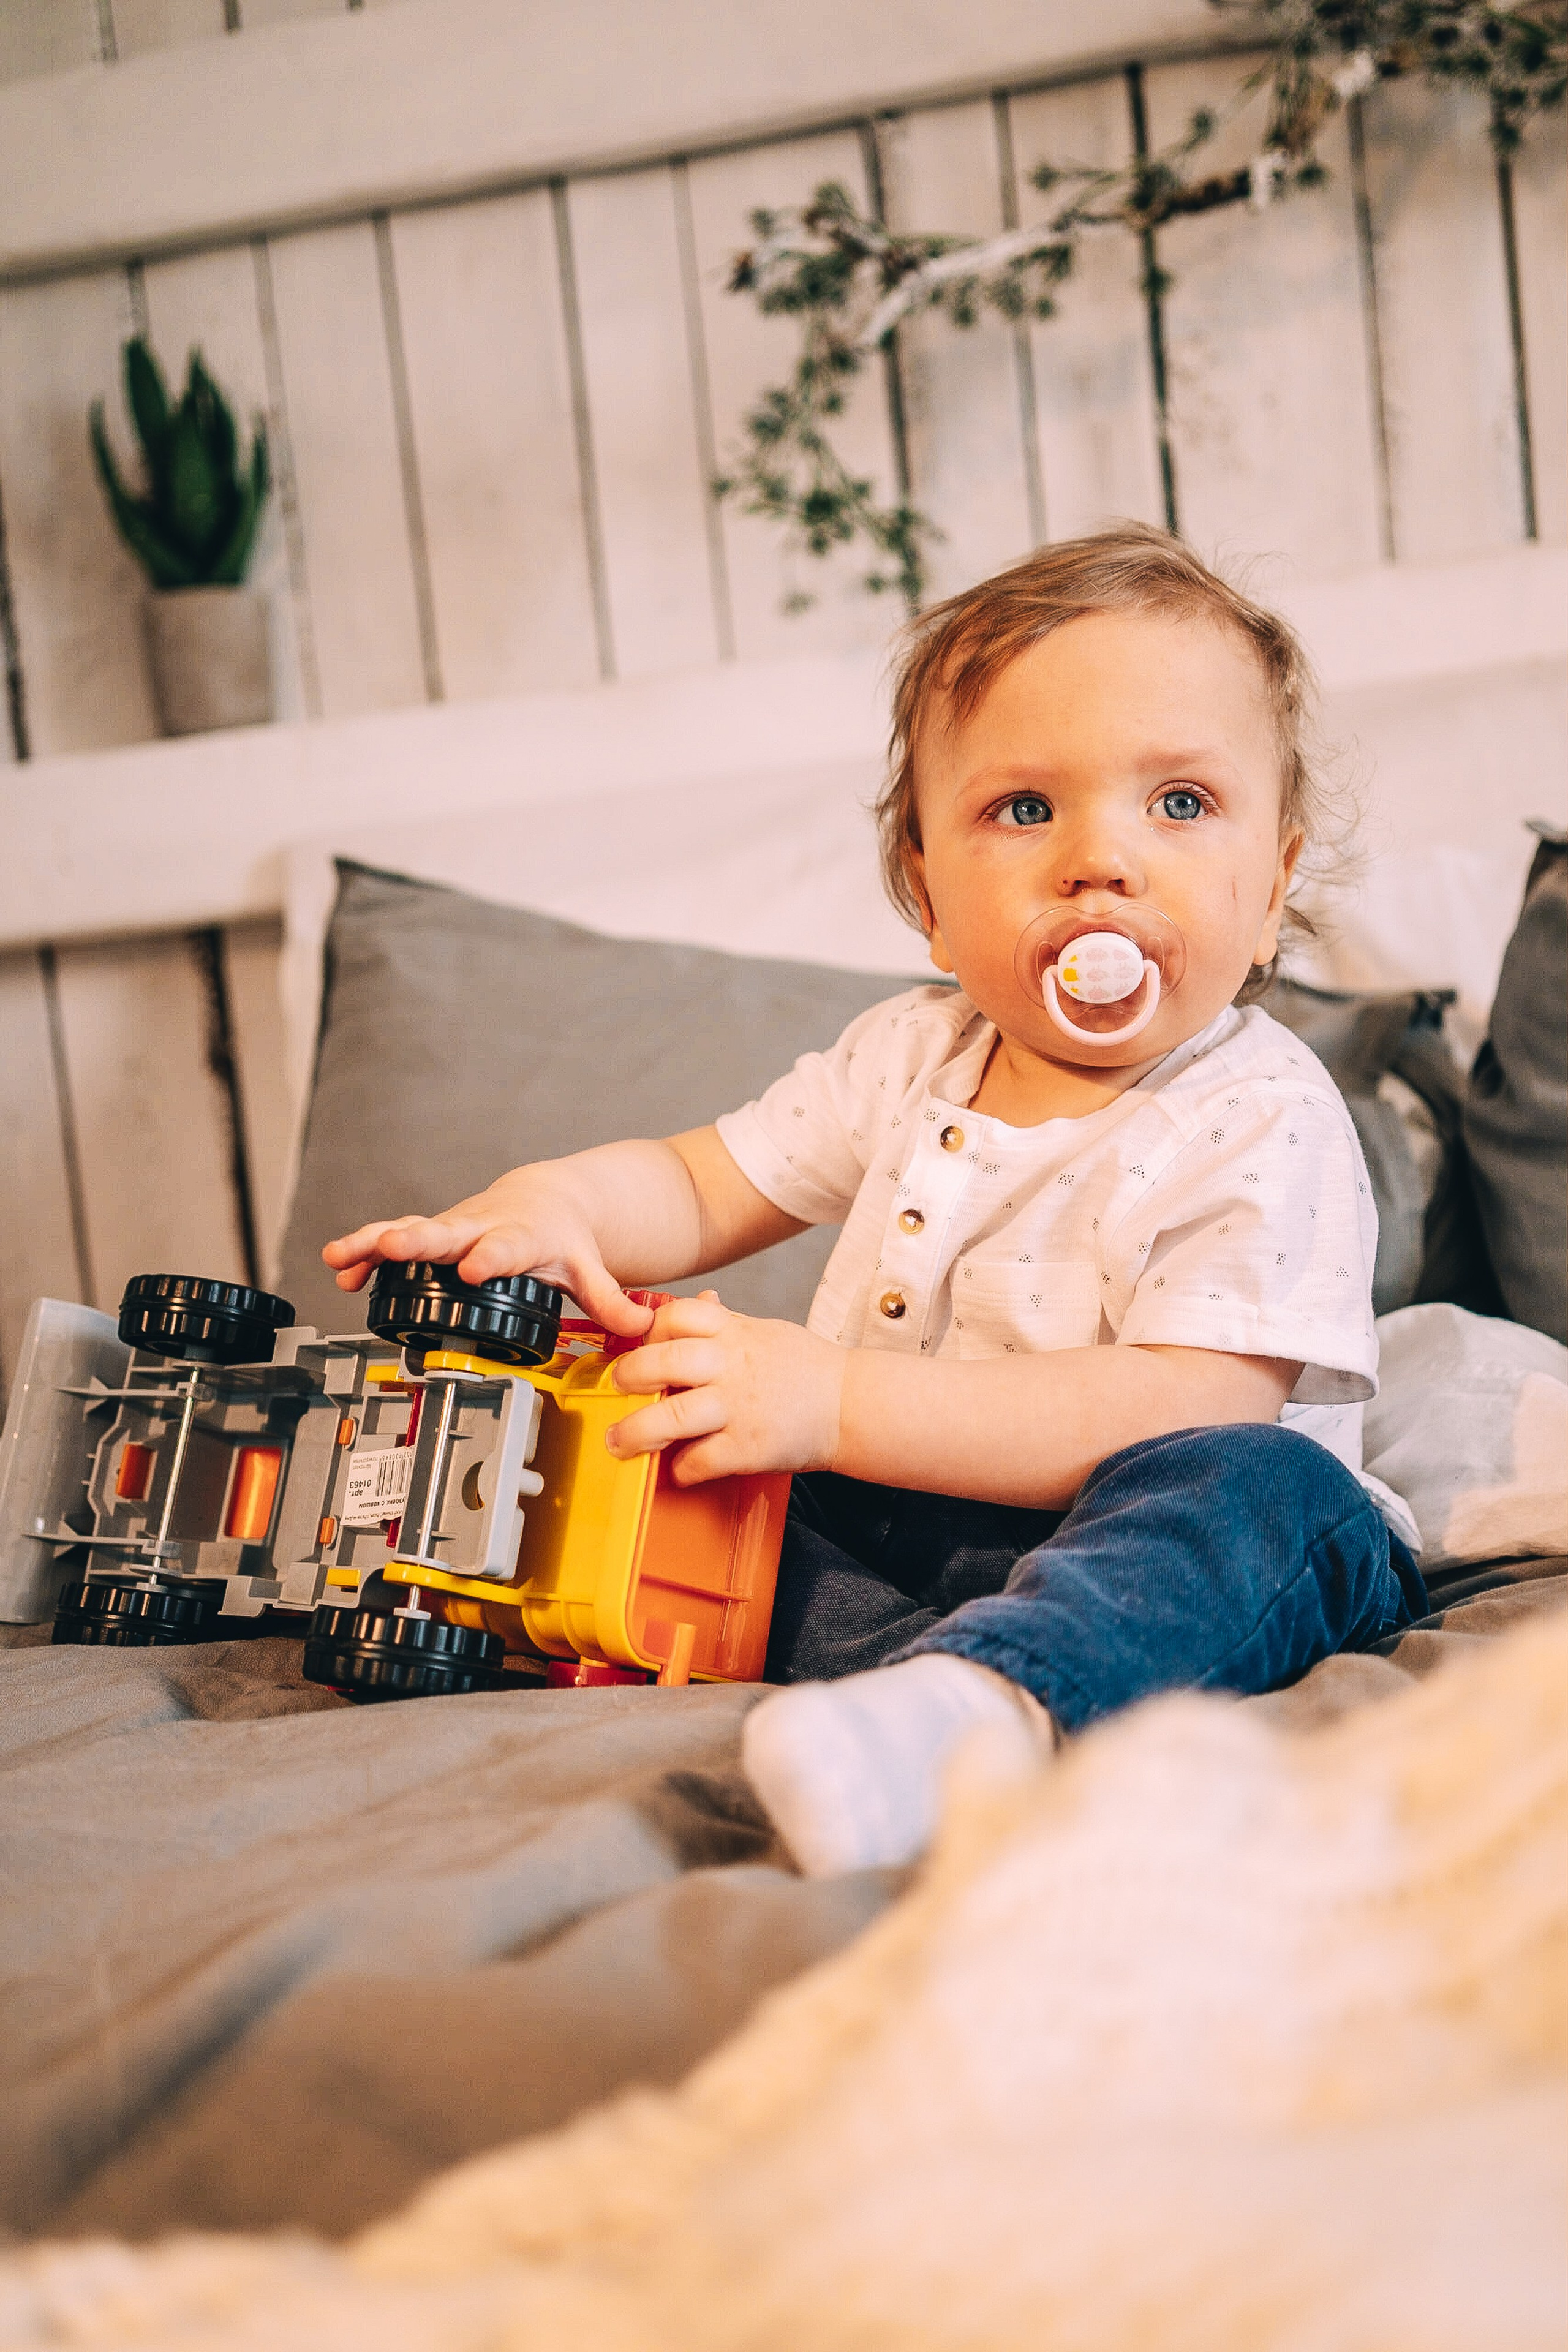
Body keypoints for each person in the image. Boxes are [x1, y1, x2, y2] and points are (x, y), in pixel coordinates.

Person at [324, 524, 1426, 1877]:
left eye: (1180, 805)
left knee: (1256, 1489)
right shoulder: (907, 1055)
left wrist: (833, 1399)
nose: (1100, 861)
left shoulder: (1257, 1110)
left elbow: (1187, 1400)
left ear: (1269, 891)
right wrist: (553, 1205)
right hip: (915, 1528)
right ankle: (899, 1704)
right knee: (695, 1449)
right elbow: (696, 1180)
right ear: (925, 892)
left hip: (1166, 1536)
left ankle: (1003, 1700)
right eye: (1024, 810)